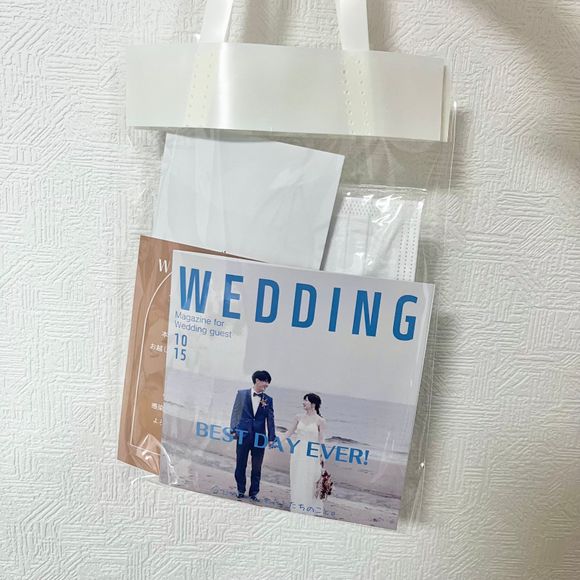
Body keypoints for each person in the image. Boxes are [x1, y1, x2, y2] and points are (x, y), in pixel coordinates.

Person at [229, 370, 276, 501]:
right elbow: (235, 412)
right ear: (257, 380)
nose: (267, 385)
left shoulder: (268, 400)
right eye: (265, 381)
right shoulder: (241, 394)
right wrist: (233, 429)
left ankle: (254, 493)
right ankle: (240, 490)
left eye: (268, 382)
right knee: (240, 464)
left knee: (257, 467)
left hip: (259, 438)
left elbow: (270, 420)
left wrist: (271, 438)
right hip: (243, 435)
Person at [286, 393, 326, 516]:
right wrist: (275, 441)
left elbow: (322, 441)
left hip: (312, 454)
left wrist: (323, 458)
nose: (303, 402)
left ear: (313, 404)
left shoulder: (320, 421)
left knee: (310, 479)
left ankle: (308, 506)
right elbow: (288, 433)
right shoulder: (298, 417)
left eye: (306, 400)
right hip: (297, 452)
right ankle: (296, 505)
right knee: (297, 477)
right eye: (304, 400)